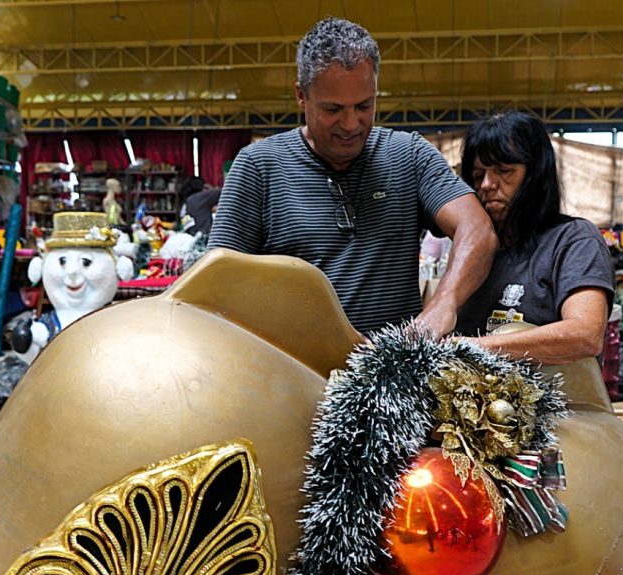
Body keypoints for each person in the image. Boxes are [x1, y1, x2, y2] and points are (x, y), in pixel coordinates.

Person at [209, 17, 497, 337]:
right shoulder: (258, 167)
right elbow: (217, 284)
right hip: (293, 374)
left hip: (390, 372)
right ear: (301, 96)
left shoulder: (409, 155)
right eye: (333, 109)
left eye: (364, 105)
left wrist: (444, 303)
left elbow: (478, 230)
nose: (350, 124)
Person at [453, 110, 616, 364]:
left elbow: (585, 334)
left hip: (556, 402)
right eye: (477, 175)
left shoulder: (573, 241)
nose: (486, 184)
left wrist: (473, 347)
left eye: (504, 170)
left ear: (535, 176)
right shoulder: (474, 250)